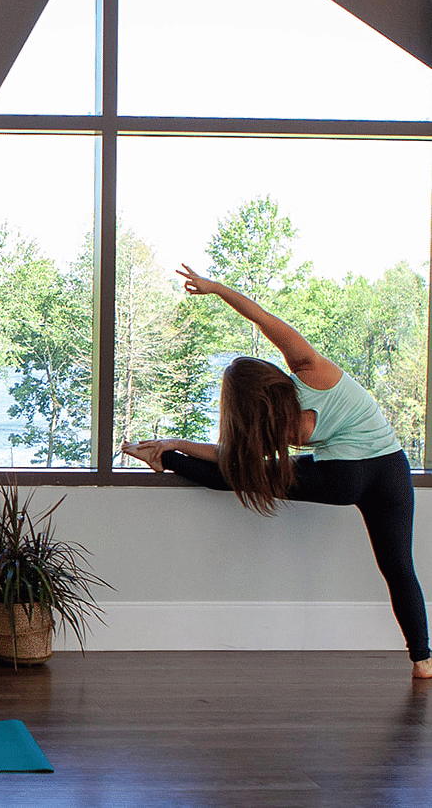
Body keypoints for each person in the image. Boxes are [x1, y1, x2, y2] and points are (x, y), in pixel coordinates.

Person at [122, 265, 431, 679]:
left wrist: (174, 447)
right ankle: (423, 660)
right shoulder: (308, 367)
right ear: (270, 376)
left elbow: (229, 461)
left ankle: (161, 460)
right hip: (392, 469)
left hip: (341, 477)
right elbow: (262, 317)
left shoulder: (272, 424)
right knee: (399, 568)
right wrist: (216, 289)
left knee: (242, 475)